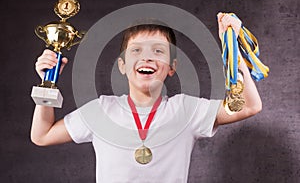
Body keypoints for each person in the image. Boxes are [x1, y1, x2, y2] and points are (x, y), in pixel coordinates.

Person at [31, 13, 262, 182]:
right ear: (122, 65)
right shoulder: (102, 110)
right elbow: (42, 136)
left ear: (172, 67)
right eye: (137, 50)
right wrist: (46, 84)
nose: (147, 58)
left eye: (158, 51)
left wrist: (233, 52)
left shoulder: (185, 110)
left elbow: (250, 106)